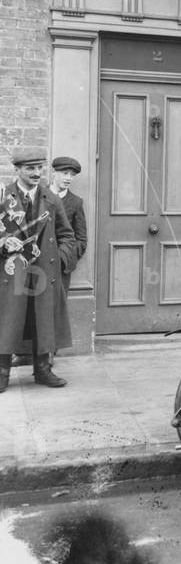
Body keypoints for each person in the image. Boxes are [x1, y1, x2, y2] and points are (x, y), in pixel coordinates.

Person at [0, 148, 77, 392]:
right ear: (17, 170)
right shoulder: (3, 196)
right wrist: (3, 243)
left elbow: (67, 235)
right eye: (29, 168)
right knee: (7, 319)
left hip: (44, 271)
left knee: (42, 319)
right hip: (11, 271)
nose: (36, 173)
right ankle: (2, 372)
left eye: (39, 168)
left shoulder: (50, 199)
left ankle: (43, 370)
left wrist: (59, 260)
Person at [49, 156, 87, 292]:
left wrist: (66, 258)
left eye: (72, 175)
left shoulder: (76, 202)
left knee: (59, 306)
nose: (68, 178)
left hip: (61, 266)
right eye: (65, 173)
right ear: (53, 172)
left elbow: (82, 239)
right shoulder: (39, 196)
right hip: (38, 261)